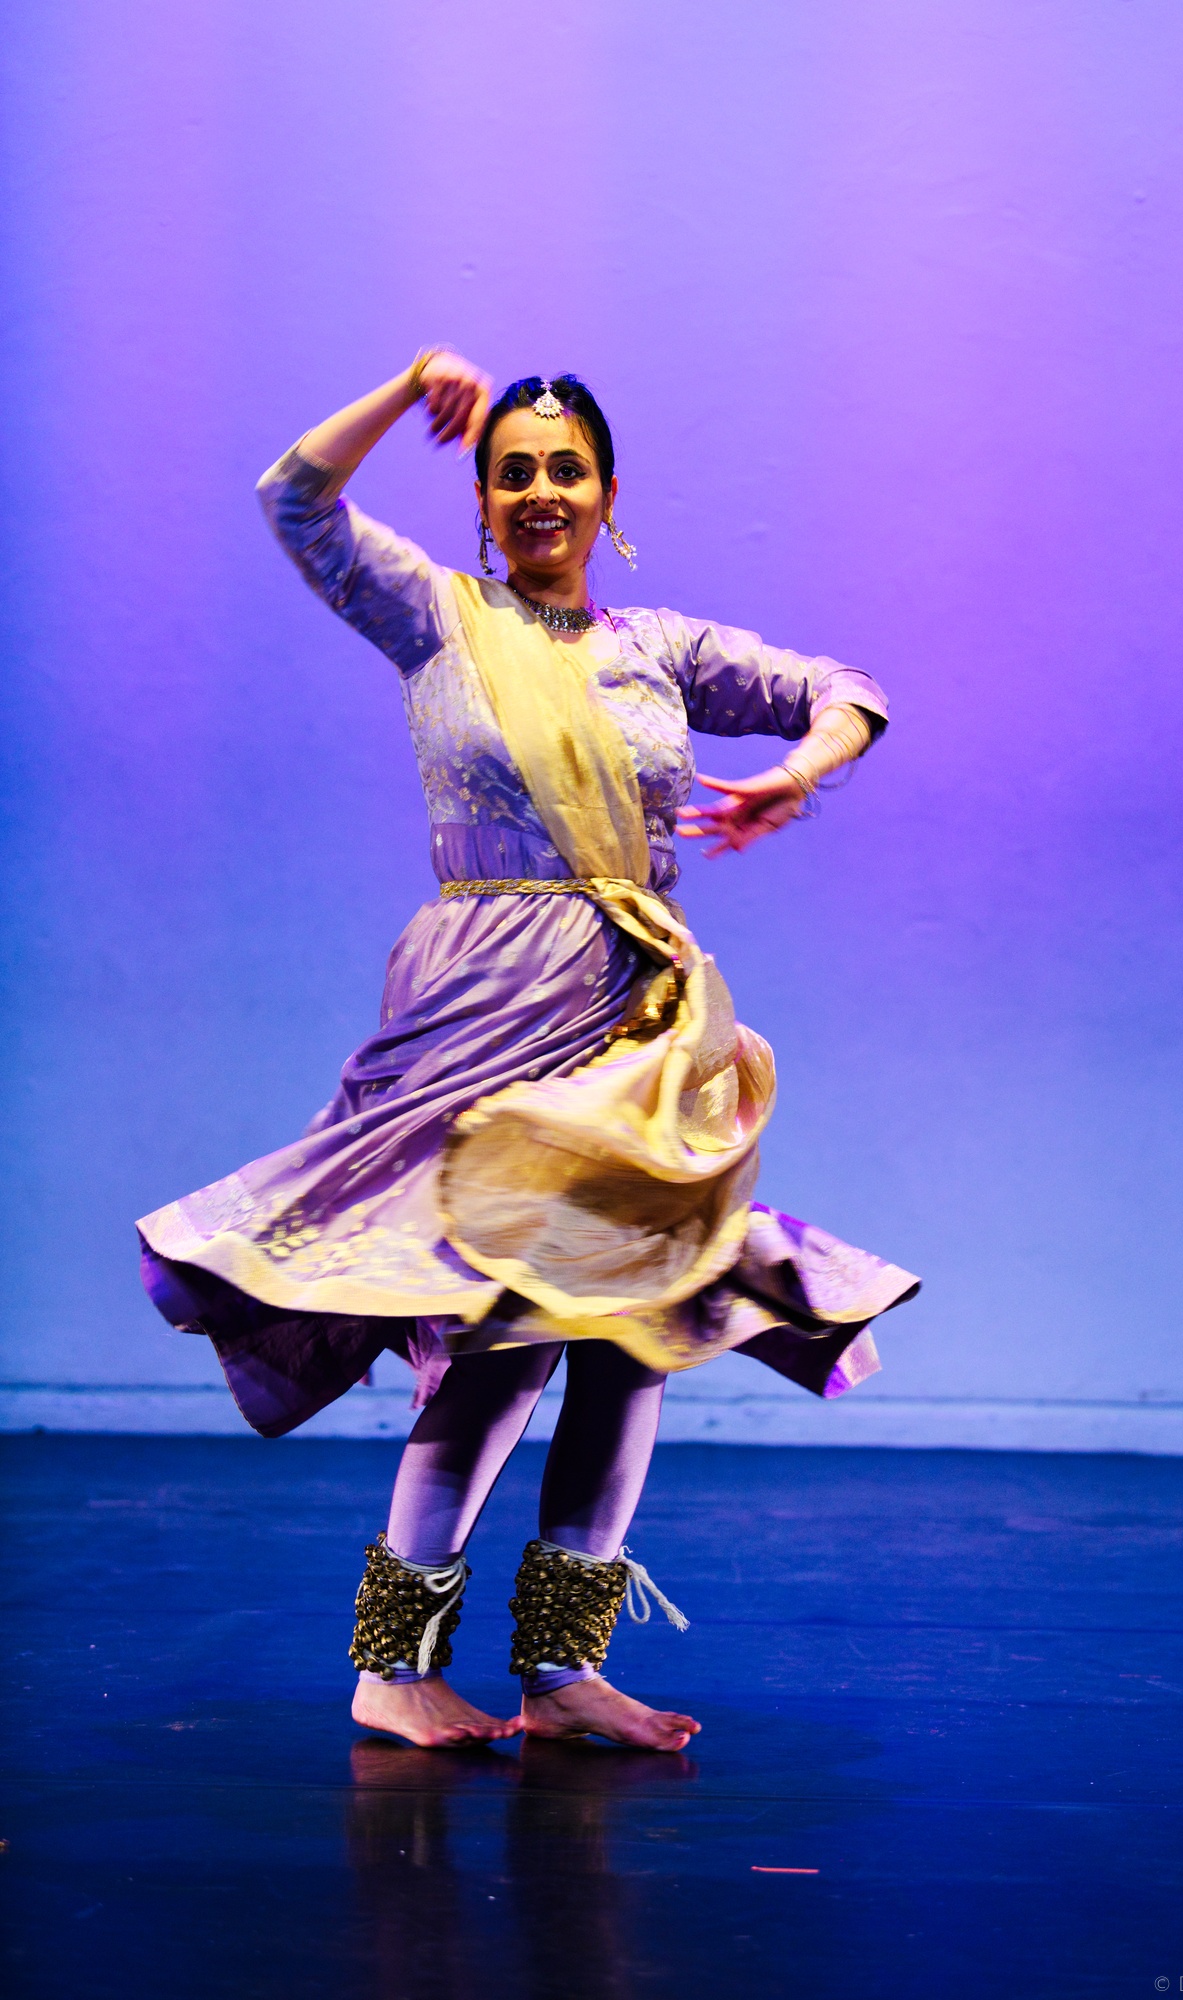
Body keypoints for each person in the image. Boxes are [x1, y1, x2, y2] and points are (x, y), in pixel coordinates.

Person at [138, 349, 919, 1753]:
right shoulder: (436, 615)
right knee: (505, 1339)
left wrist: (799, 773)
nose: (542, 490)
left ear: (609, 494)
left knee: (634, 1335)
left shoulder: (660, 648)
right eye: (514, 473)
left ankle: (562, 1672)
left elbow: (842, 686)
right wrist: (406, 387)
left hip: (636, 1020)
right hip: (484, 1009)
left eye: (567, 469)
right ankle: (395, 1665)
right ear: (485, 502)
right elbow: (294, 498)